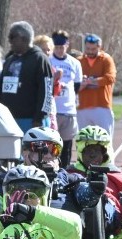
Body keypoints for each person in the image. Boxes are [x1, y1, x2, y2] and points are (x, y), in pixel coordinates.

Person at [0, 21, 53, 131]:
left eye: (12, 37)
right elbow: (0, 90)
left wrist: (39, 118)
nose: (9, 40)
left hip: (31, 120)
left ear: (23, 38)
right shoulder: (9, 60)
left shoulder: (39, 59)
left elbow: (47, 91)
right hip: (8, 120)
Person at [48, 30, 81, 162]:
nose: (59, 50)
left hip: (68, 110)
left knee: (67, 146)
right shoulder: (48, 61)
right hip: (53, 109)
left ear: (67, 46)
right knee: (52, 144)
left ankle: (65, 170)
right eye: (57, 47)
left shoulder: (74, 63)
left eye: (62, 47)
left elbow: (77, 85)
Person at [76, 33, 115, 136]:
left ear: (99, 47)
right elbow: (73, 83)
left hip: (102, 106)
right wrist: (82, 84)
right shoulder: (79, 61)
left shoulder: (106, 59)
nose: (90, 52)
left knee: (104, 141)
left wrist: (91, 81)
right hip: (83, 107)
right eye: (88, 49)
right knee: (84, 142)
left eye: (93, 49)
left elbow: (110, 78)